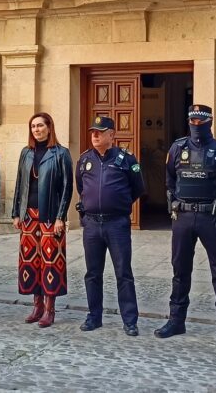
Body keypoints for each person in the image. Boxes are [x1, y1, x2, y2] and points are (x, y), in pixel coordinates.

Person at [154, 105, 216, 347]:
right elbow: (170, 178)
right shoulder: (178, 148)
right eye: (192, 119)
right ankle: (176, 320)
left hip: (210, 217)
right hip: (183, 217)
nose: (195, 124)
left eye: (199, 120)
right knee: (180, 271)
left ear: (209, 121)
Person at [76, 116, 145, 336]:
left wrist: (118, 205)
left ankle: (129, 320)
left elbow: (138, 189)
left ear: (112, 135)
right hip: (92, 225)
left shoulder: (126, 160)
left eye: (100, 131)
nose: (95, 135)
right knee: (92, 273)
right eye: (93, 131)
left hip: (116, 224)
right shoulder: (84, 160)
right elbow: (81, 187)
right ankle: (94, 316)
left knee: (123, 272)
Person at [11, 113, 73, 328]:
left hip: (50, 217)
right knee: (30, 261)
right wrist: (16, 213)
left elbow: (67, 188)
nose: (36, 130)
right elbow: (19, 183)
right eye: (33, 126)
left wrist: (60, 217)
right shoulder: (26, 153)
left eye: (40, 126)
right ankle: (36, 306)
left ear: (49, 128)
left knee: (50, 263)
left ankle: (49, 309)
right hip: (29, 216)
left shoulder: (61, 153)